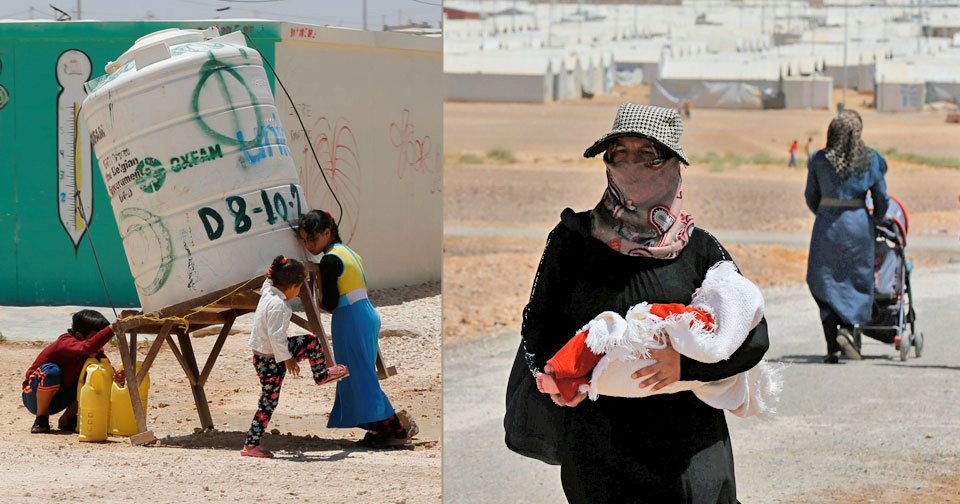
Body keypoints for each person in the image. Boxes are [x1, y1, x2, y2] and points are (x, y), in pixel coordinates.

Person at [520, 103, 770, 503]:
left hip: (689, 450)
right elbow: (537, 323)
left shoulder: (701, 251)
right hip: (598, 448)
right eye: (620, 152)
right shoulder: (572, 241)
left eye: (647, 154)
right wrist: (553, 377)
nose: (630, 165)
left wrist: (682, 367)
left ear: (674, 166)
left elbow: (755, 339)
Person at [297, 210, 418, 447]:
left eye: (312, 238)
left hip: (349, 317)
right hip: (365, 314)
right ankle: (382, 430)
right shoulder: (349, 252)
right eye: (304, 240)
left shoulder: (329, 260)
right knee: (360, 375)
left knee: (360, 378)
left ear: (327, 232)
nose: (308, 244)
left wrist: (318, 283)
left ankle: (396, 431)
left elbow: (329, 303)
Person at [241, 255, 349, 458]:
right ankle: (250, 446)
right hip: (272, 359)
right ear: (292, 286)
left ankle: (251, 444)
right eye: (300, 287)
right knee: (268, 402)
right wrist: (288, 359)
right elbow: (276, 336)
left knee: (268, 402)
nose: (299, 293)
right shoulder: (278, 305)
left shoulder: (267, 292)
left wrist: (276, 265)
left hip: (264, 357)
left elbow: (268, 279)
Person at [805, 109, 889, 364]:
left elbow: (811, 196)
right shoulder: (871, 159)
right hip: (858, 227)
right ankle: (849, 330)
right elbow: (881, 198)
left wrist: (825, 212)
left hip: (827, 227)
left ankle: (832, 342)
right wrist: (874, 220)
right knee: (857, 279)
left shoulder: (819, 159)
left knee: (824, 279)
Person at [21, 309, 122, 434]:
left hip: (60, 397)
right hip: (34, 396)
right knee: (51, 372)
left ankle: (67, 419)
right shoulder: (65, 343)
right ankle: (41, 418)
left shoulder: (94, 352)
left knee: (96, 375)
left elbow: (107, 371)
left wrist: (116, 377)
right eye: (95, 339)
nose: (98, 345)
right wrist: (114, 326)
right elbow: (88, 346)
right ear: (80, 336)